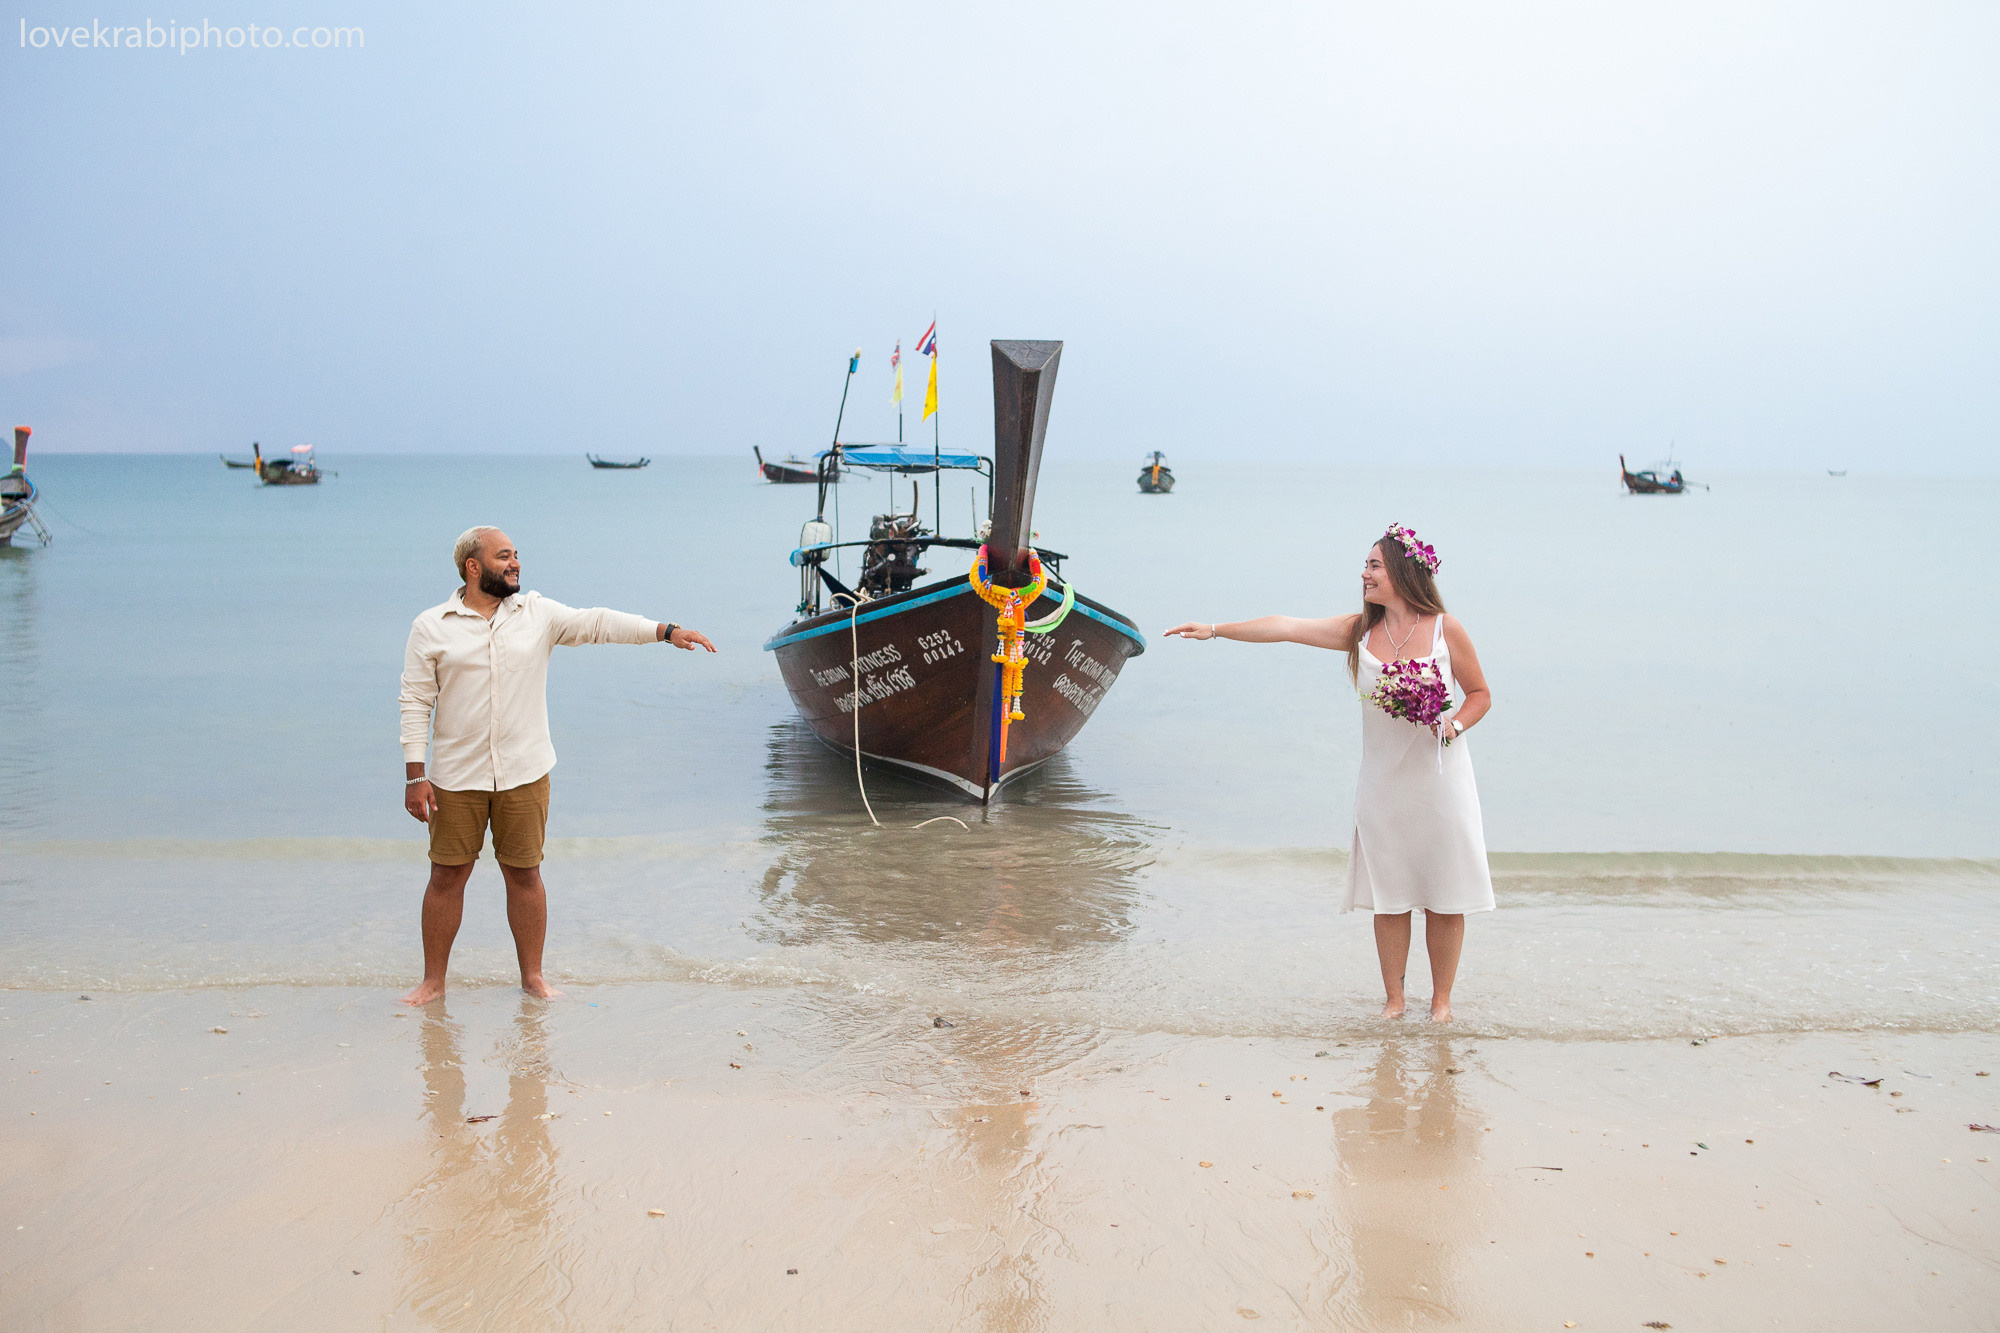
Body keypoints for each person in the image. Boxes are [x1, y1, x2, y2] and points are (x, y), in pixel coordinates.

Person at [1165, 523, 1493, 1022]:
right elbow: (1285, 626)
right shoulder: (1359, 632)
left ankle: (1441, 1004)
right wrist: (1216, 629)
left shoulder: (1447, 629)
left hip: (1441, 782)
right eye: (1366, 565)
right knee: (1391, 894)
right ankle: (1395, 1001)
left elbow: (1480, 695)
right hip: (1384, 784)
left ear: (1404, 571)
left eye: (1374, 565)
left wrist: (1452, 726)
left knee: (1446, 895)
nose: (1363, 574)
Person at [397, 526, 715, 1004]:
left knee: (524, 874)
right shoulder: (431, 625)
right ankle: (433, 983)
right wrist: (415, 776)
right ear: (473, 567)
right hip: (456, 777)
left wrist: (664, 632)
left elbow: (598, 623)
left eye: (517, 556)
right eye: (504, 557)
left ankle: (533, 978)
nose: (516, 564)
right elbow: (415, 700)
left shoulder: (537, 614)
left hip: (525, 772)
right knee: (447, 876)